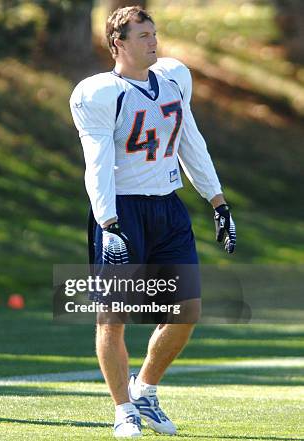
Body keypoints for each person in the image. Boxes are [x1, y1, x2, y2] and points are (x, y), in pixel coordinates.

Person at [69, 6, 236, 438]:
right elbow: (98, 163)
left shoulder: (175, 78)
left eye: (154, 33)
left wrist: (216, 200)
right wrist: (108, 223)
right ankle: (123, 409)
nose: (152, 42)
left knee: (187, 311)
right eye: (142, 35)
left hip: (168, 207)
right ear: (117, 43)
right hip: (124, 210)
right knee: (113, 316)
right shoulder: (100, 93)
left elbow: (190, 141)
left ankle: (144, 389)